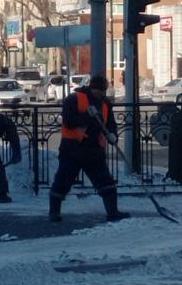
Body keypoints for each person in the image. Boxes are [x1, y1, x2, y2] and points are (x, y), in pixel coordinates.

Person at [49, 75, 129, 223]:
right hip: (72, 148)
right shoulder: (74, 99)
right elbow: (68, 121)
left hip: (94, 150)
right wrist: (87, 116)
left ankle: (113, 212)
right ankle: (54, 212)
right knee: (63, 180)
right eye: (98, 90)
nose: (101, 94)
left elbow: (110, 123)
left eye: (103, 91)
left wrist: (112, 135)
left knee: (105, 181)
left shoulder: (105, 103)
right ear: (92, 88)